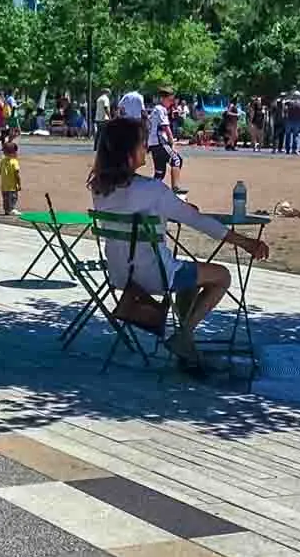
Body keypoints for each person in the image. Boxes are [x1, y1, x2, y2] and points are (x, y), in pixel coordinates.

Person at [88, 116, 269, 371]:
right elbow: (198, 221)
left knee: (189, 276)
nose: (146, 151)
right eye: (141, 145)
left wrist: (173, 209)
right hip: (156, 277)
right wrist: (246, 242)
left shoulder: (98, 189)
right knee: (222, 276)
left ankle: (187, 342)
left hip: (120, 275)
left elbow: (142, 209)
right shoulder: (152, 189)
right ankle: (185, 334)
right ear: (128, 153)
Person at [146, 89, 178, 180]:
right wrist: (172, 144)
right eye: (170, 100)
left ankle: (151, 192)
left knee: (159, 173)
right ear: (162, 99)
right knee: (177, 160)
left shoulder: (156, 109)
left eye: (172, 100)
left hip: (154, 144)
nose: (171, 103)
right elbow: (166, 127)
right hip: (159, 143)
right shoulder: (160, 109)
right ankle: (176, 189)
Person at [0, 137, 21, 214]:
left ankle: (6, 210)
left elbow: (0, 171)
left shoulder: (2, 161)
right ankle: (12, 209)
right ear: (13, 152)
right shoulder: (14, 162)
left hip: (4, 185)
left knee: (5, 198)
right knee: (13, 197)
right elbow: (16, 174)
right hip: (12, 185)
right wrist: (19, 184)